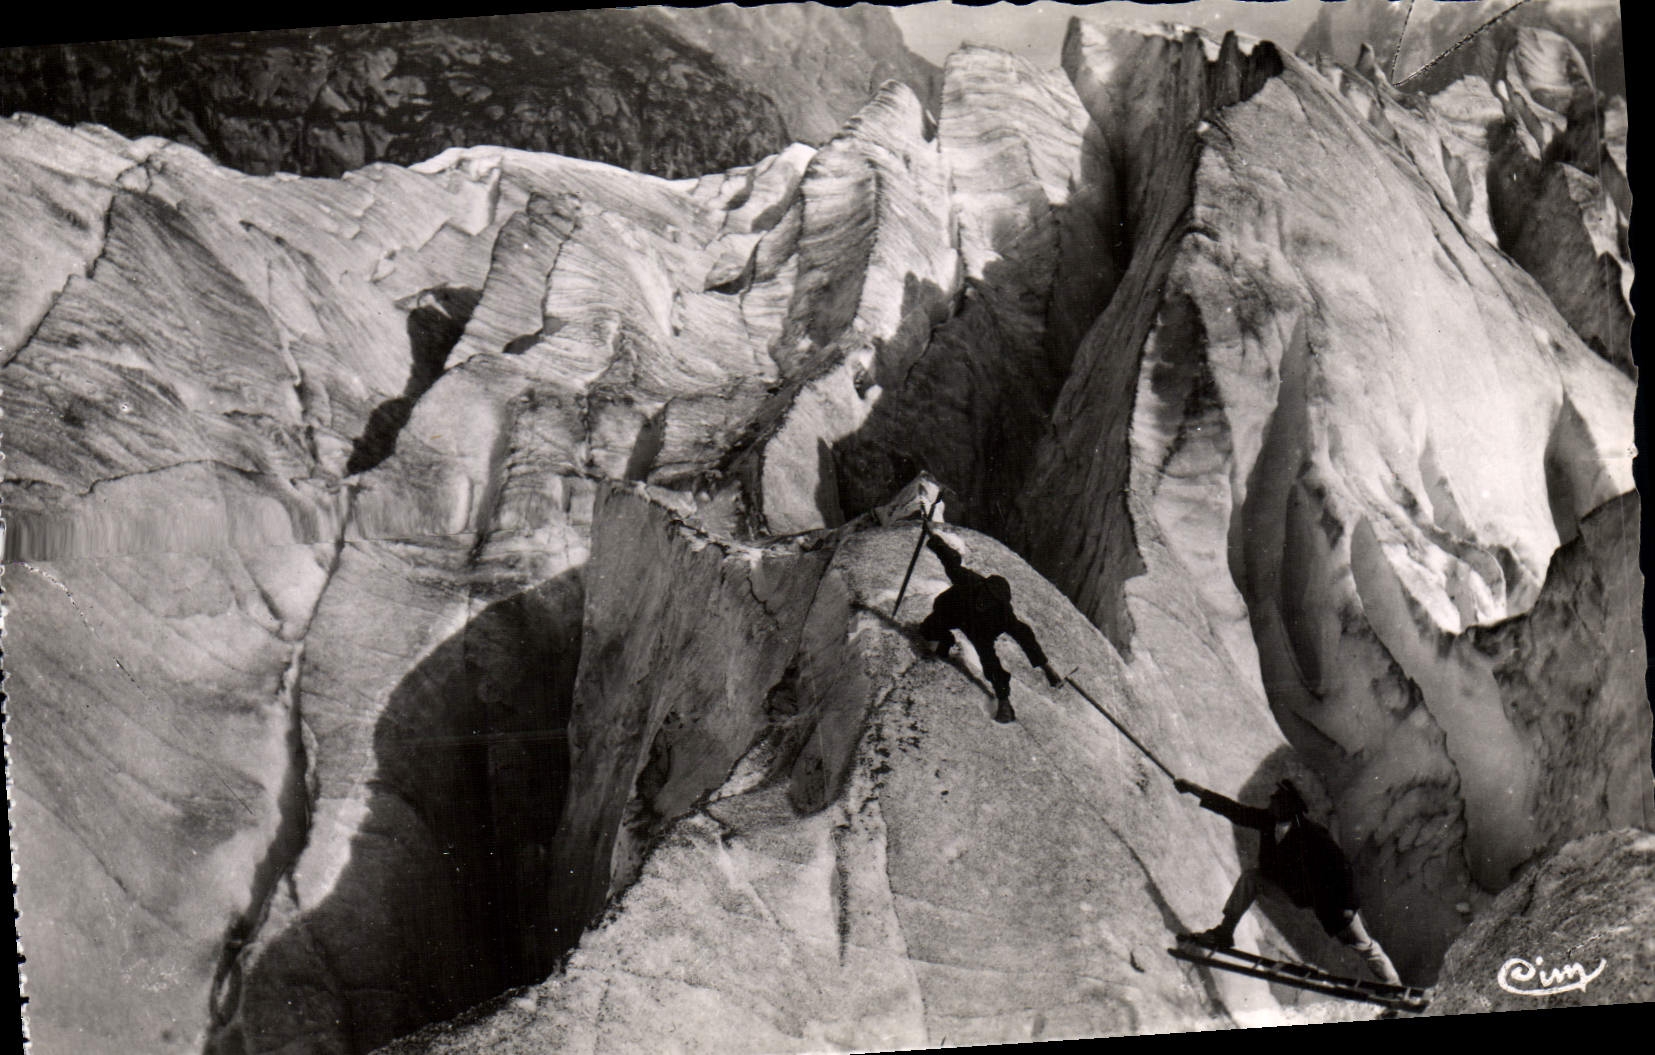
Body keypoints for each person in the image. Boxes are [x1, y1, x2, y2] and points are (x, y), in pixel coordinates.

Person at [1174, 777, 1403, 986]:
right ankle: (1224, 932)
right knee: (1251, 878)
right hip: (1289, 891)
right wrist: (1195, 791)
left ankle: (1393, 984)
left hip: (1329, 901)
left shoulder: (1313, 835)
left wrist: (1348, 907)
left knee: (1363, 944)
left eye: (1277, 799)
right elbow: (1235, 811)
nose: (1271, 802)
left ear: (1290, 806)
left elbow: (1342, 870)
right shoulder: (1268, 821)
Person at [920, 530, 1062, 723]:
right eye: (985, 595)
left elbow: (1024, 636)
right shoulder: (969, 581)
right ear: (982, 587)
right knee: (927, 630)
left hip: (978, 629)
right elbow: (950, 560)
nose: (984, 601)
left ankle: (1004, 701)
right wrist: (935, 540)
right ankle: (946, 639)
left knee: (990, 662)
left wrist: (1046, 668)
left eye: (991, 600)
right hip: (951, 611)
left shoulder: (1003, 615)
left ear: (998, 603)